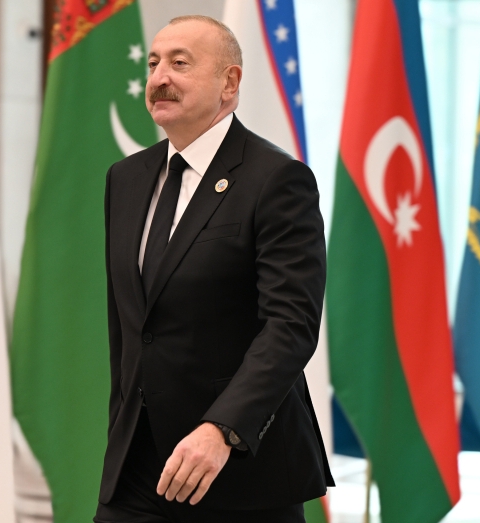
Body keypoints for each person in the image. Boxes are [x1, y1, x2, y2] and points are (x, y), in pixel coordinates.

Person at [95, 15, 333, 523]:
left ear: (230, 83)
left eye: (180, 63)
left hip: (240, 472)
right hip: (136, 471)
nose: (159, 77)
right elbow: (131, 327)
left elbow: (290, 325)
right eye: (154, 63)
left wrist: (222, 429)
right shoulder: (125, 178)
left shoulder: (277, 180)